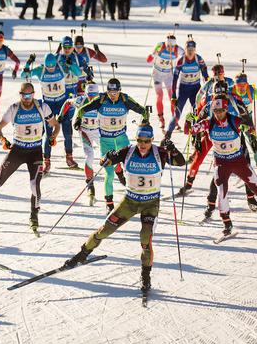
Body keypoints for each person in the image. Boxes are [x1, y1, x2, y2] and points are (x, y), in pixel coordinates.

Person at [63, 122, 185, 295]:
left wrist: (173, 149)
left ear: (152, 140)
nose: (143, 145)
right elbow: (104, 163)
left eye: (147, 141)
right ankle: (82, 255)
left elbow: (180, 162)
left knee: (145, 237)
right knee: (104, 230)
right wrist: (108, 157)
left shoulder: (161, 154)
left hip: (150, 203)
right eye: (140, 140)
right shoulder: (128, 151)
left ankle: (145, 276)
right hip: (129, 201)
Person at [188, 97, 257, 237]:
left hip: (238, 161)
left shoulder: (234, 120)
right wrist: (189, 120)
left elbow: (249, 126)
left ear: (226, 109)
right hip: (221, 163)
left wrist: (249, 128)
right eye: (216, 111)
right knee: (222, 191)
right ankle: (227, 224)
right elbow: (191, 130)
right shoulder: (208, 123)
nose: (218, 114)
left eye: (221, 110)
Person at [0, 82, 60, 235]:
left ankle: (34, 216)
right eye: (24, 95)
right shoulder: (14, 108)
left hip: (35, 151)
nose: (27, 98)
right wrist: (3, 140)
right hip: (17, 150)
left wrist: (53, 136)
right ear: (20, 94)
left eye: (29, 95)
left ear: (33, 94)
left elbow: (56, 125)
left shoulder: (42, 107)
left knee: (34, 186)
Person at [74, 78, 148, 211]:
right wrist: (78, 119)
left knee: (132, 166)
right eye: (110, 92)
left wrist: (145, 123)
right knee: (109, 173)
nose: (113, 95)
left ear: (120, 90)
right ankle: (109, 203)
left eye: (115, 92)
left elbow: (143, 111)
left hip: (122, 140)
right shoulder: (101, 100)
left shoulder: (125, 100)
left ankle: (138, 196)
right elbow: (81, 110)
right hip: (106, 141)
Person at [22, 51, 82, 172]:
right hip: (48, 104)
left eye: (52, 67)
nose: (50, 69)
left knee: (67, 131)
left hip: (61, 103)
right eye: (48, 67)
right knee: (48, 133)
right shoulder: (41, 70)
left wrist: (71, 64)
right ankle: (47, 161)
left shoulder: (60, 67)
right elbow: (24, 75)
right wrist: (28, 63)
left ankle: (69, 157)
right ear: (45, 65)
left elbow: (78, 73)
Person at [58, 82, 101, 204]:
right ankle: (90, 185)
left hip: (98, 132)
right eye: (90, 95)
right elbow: (67, 102)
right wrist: (61, 116)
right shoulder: (81, 100)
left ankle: (120, 175)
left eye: (94, 95)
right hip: (85, 132)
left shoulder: (102, 101)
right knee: (89, 156)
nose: (92, 98)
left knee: (109, 154)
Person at [166, 38, 208, 136]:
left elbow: (205, 76)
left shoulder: (199, 59)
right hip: (183, 89)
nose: (190, 52)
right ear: (185, 49)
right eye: (188, 50)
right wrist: (173, 95)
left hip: (196, 89)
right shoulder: (181, 60)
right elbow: (175, 79)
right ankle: (168, 135)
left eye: (192, 50)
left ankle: (196, 134)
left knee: (197, 112)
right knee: (177, 112)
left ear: (195, 50)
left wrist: (207, 89)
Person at [232, 72, 257, 179]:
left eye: (244, 85)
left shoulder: (251, 90)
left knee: (254, 144)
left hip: (248, 120)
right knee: (235, 145)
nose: (242, 88)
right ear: (235, 85)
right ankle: (235, 168)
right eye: (239, 86)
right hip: (234, 120)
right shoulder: (231, 91)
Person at [146, 34, 181, 130]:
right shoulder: (160, 46)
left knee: (172, 97)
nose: (170, 48)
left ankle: (175, 120)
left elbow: (188, 57)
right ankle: (161, 119)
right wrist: (154, 53)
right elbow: (148, 60)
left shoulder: (178, 50)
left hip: (168, 75)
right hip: (157, 74)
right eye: (168, 46)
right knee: (159, 96)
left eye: (172, 46)